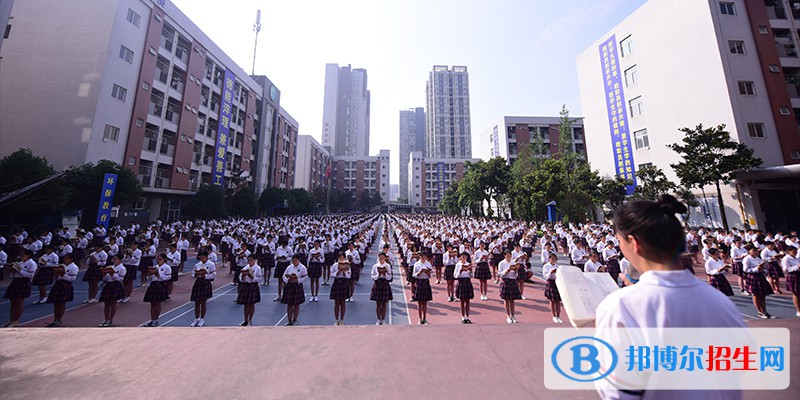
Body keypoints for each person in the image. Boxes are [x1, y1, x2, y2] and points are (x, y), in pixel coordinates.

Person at [594, 195, 745, 399]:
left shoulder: (620, 307)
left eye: (619, 240)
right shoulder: (721, 303)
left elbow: (618, 393)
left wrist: (633, 299)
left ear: (633, 242)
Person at [2, 250, 37, 327]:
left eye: (23, 255)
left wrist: (19, 271)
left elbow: (30, 275)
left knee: (19, 301)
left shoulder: (32, 263)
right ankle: (11, 320)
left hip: (23, 282)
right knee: (13, 301)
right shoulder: (20, 263)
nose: (22, 256)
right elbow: (13, 275)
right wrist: (13, 271)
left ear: (28, 255)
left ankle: (16, 320)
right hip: (16, 281)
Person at [45, 253, 79, 327]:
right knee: (56, 303)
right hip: (58, 284)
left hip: (65, 285)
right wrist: (56, 273)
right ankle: (55, 319)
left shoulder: (74, 267)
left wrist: (63, 274)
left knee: (61, 303)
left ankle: (59, 319)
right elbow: (56, 277)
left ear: (71, 259)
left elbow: (72, 279)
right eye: (64, 258)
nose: (64, 260)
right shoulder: (63, 266)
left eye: (66, 258)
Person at [743, 244, 774, 319]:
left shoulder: (757, 258)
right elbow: (746, 270)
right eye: (753, 251)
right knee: (756, 295)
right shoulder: (747, 259)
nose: (755, 252)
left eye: (756, 251)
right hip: (753, 276)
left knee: (763, 295)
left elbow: (763, 266)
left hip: (760, 276)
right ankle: (759, 312)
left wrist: (763, 268)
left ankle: (764, 311)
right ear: (749, 251)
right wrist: (757, 268)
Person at [142, 253, 171, 327]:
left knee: (158, 303)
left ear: (164, 260)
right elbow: (150, 279)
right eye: (157, 259)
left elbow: (168, 277)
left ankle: (156, 319)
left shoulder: (167, 267)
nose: (158, 261)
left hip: (160, 285)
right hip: (153, 285)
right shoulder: (155, 267)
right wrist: (150, 274)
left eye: (160, 259)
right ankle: (152, 319)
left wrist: (158, 275)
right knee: (152, 303)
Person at [98, 255, 126, 327]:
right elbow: (106, 279)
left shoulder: (122, 268)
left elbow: (120, 279)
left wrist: (113, 274)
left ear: (120, 260)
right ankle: (106, 318)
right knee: (106, 303)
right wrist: (104, 274)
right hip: (108, 285)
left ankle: (110, 319)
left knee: (113, 303)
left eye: (116, 259)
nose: (114, 261)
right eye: (113, 259)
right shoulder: (111, 267)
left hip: (116, 285)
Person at [190, 251, 216, 327]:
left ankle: (202, 319)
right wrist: (196, 274)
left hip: (205, 283)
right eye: (200, 258)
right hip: (198, 283)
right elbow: (192, 274)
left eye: (203, 258)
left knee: (203, 302)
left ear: (207, 257)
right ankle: (196, 318)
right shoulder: (197, 265)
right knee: (196, 302)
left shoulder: (211, 264)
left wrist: (205, 275)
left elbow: (214, 275)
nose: (202, 259)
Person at [281, 255, 308, 326]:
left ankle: (295, 320)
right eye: (293, 260)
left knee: (296, 304)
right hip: (289, 286)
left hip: (297, 286)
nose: (294, 262)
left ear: (299, 260)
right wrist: (287, 280)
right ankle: (289, 320)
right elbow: (283, 276)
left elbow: (305, 277)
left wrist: (298, 280)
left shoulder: (302, 268)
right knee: (289, 304)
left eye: (296, 260)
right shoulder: (289, 267)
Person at [236, 255, 262, 326]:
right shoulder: (246, 267)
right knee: (246, 305)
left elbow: (259, 278)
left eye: (251, 260)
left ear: (254, 260)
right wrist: (243, 276)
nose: (250, 262)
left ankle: (250, 319)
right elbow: (240, 277)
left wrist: (252, 277)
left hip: (253, 286)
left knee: (252, 304)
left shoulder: (258, 268)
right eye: (249, 260)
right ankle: (245, 320)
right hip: (246, 286)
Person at [498, 251, 522, 324]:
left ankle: (513, 315)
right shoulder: (501, 263)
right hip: (506, 281)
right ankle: (508, 316)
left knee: (512, 300)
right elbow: (500, 274)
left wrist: (515, 271)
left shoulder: (513, 263)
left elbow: (516, 276)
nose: (509, 257)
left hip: (513, 281)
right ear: (504, 256)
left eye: (510, 255)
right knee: (506, 300)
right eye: (507, 255)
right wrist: (506, 271)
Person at [370, 252, 393, 325]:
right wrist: (378, 275)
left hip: (385, 284)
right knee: (378, 303)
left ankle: (383, 319)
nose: (382, 259)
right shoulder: (375, 266)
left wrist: (385, 274)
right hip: (378, 283)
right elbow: (372, 277)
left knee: (384, 303)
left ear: (385, 258)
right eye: (380, 258)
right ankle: (378, 319)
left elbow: (390, 277)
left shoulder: (388, 266)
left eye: (383, 258)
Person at [330, 253, 351, 326]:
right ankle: (336, 320)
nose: (341, 259)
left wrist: (344, 273)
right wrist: (338, 271)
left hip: (344, 282)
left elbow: (349, 276)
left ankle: (342, 319)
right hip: (337, 282)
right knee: (336, 303)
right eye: (340, 258)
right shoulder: (335, 265)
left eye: (343, 258)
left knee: (343, 302)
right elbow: (332, 275)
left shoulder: (347, 265)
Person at [413, 253, 433, 324]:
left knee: (425, 302)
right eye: (422, 257)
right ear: (420, 257)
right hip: (419, 282)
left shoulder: (428, 264)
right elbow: (414, 275)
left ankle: (424, 318)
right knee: (419, 302)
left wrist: (428, 273)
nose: (423, 258)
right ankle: (419, 318)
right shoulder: (417, 264)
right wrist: (419, 273)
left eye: (424, 257)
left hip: (426, 282)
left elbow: (431, 274)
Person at [454, 252, 475, 324]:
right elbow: (455, 276)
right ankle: (463, 317)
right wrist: (460, 271)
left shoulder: (468, 264)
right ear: (460, 257)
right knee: (462, 301)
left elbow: (472, 276)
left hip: (467, 281)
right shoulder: (458, 265)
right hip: (461, 281)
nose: (463, 258)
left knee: (468, 301)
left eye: (465, 257)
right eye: (462, 257)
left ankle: (467, 317)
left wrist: (471, 272)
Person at [542, 253, 563, 323]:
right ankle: (554, 316)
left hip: (557, 283)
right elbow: (546, 277)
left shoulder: (558, 266)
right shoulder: (546, 266)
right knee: (552, 300)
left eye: (555, 259)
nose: (553, 260)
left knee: (558, 301)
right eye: (552, 258)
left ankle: (558, 316)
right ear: (549, 259)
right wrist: (551, 272)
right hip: (550, 282)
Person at [780, 246, 800, 317]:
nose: (795, 253)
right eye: (793, 252)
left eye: (796, 251)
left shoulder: (797, 258)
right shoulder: (786, 259)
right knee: (796, 293)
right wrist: (797, 267)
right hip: (793, 276)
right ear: (788, 251)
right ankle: (798, 310)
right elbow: (786, 270)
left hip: (798, 274)